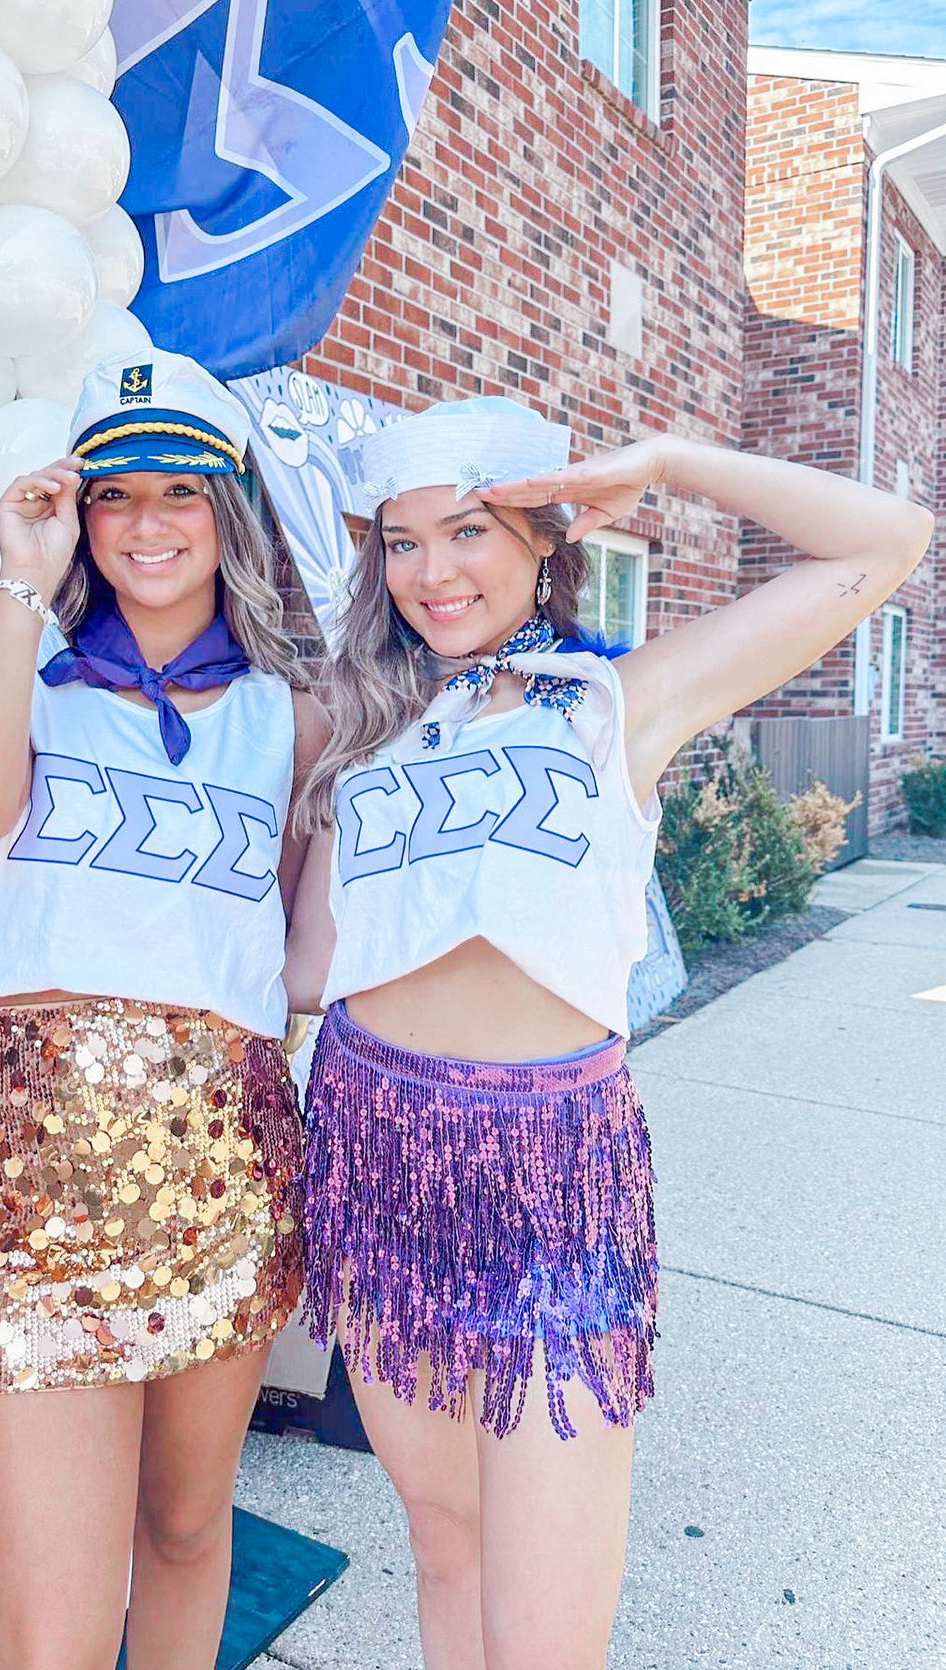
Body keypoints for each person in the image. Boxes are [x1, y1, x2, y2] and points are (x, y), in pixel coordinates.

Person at [284, 395, 931, 1670]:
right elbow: (310, 969)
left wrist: (668, 461)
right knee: (445, 1547)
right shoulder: (363, 728)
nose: (430, 571)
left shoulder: (616, 701)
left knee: (544, 1632)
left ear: (545, 540)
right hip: (373, 1143)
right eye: (401, 542)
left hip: (550, 1169)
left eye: (468, 530)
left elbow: (885, 539)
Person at [0, 348, 328, 1670]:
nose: (148, 522)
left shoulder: (293, 715)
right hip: (34, 1161)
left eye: (180, 490)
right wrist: (19, 583)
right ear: (81, 514)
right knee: (51, 1636)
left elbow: (288, 962)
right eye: (115, 493)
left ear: (228, 510)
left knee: (186, 1528)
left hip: (223, 1155)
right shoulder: (27, 674)